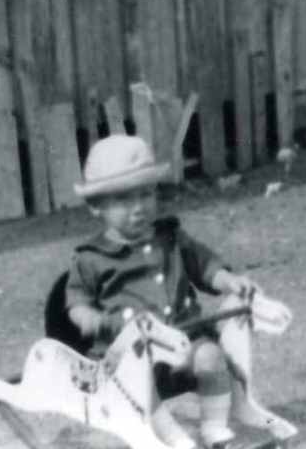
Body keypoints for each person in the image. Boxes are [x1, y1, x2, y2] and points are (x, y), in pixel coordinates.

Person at [65, 134, 258, 449]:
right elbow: (77, 304)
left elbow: (204, 266)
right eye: (124, 200)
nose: (139, 208)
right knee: (137, 380)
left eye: (146, 194)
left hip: (185, 340)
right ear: (96, 206)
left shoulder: (171, 237)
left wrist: (227, 280)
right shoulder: (90, 258)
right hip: (131, 354)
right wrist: (93, 321)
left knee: (211, 356)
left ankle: (214, 427)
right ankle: (171, 438)